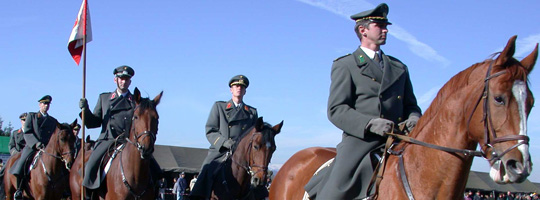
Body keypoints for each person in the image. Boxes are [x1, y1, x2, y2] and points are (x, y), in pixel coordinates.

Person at [304, 3, 422, 199]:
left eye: (386, 26)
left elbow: (411, 105)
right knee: (334, 193)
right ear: (363, 30)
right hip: (362, 141)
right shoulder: (347, 65)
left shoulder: (399, 67)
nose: (385, 30)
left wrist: (415, 118)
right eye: (379, 26)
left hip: (400, 138)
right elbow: (337, 109)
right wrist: (369, 123)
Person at [78, 65, 162, 194]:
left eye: (126, 79)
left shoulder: (136, 101)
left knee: (156, 170)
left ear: (130, 82)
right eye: (121, 78)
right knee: (90, 167)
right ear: (115, 80)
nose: (124, 81)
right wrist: (85, 110)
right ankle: (89, 194)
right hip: (108, 140)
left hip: (129, 141)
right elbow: (93, 122)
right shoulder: (104, 98)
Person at [191, 75, 258, 199]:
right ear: (231, 90)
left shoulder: (251, 112)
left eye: (242, 87)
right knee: (206, 172)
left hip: (243, 154)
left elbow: (254, 136)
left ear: (245, 91)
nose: (239, 88)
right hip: (221, 150)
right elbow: (210, 130)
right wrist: (224, 143)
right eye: (236, 86)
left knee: (259, 177)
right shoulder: (219, 107)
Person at [9, 95, 59, 199]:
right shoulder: (32, 116)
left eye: (48, 104)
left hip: (47, 148)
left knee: (60, 166)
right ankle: (19, 189)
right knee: (21, 164)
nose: (46, 106)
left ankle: (63, 189)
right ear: (40, 105)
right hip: (32, 146)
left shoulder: (53, 121)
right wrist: (36, 143)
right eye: (44, 103)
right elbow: (27, 132)